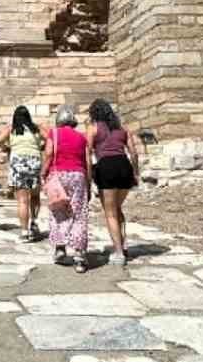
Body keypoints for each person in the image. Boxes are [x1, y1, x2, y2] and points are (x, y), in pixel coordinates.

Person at [87, 98, 141, 266]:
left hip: (106, 166)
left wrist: (88, 176)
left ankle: (118, 252)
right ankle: (122, 245)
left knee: (110, 212)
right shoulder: (123, 129)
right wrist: (136, 172)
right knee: (117, 209)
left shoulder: (93, 128)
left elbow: (87, 152)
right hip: (124, 166)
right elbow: (133, 152)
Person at [43, 104, 91, 271]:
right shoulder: (82, 137)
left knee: (58, 212)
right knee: (79, 214)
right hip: (78, 175)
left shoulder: (53, 133)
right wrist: (89, 183)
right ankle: (79, 255)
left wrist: (43, 172)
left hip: (58, 176)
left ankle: (60, 249)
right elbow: (87, 161)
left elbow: (49, 153)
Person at [0, 106, 44, 242]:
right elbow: (49, 138)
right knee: (35, 196)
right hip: (34, 162)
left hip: (18, 162)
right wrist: (40, 146)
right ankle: (34, 222)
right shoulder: (36, 128)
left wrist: (7, 148)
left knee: (22, 200)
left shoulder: (11, 128)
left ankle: (24, 232)